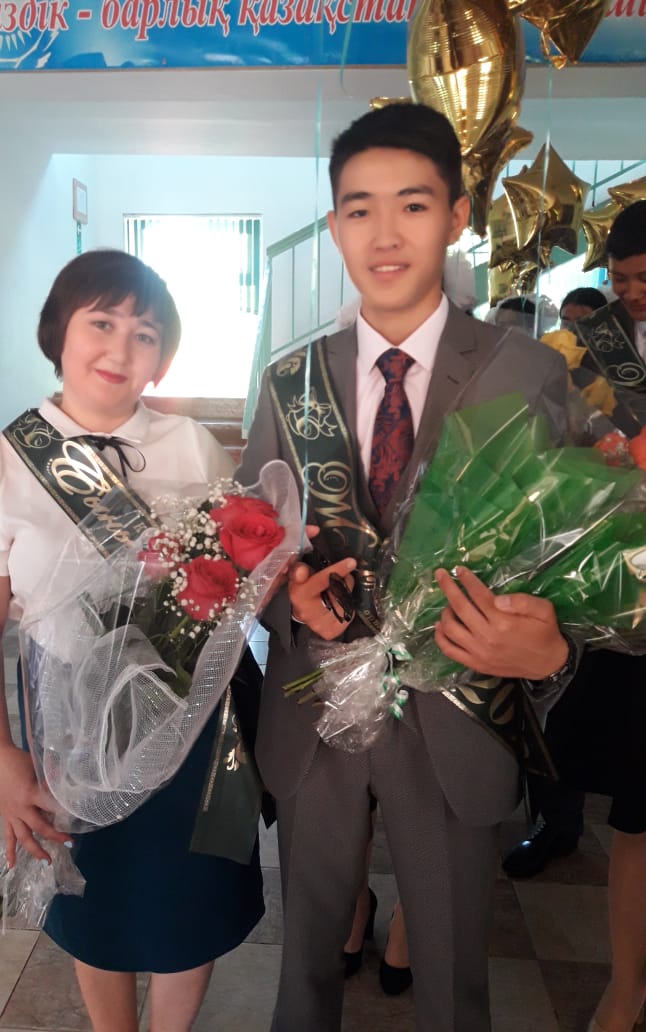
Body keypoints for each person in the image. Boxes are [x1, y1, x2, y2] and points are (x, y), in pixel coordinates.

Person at [237, 102, 576, 1032]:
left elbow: (567, 559)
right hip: (315, 710)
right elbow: (249, 546)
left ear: (457, 215)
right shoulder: (290, 382)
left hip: (458, 713)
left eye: (413, 205)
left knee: (456, 980)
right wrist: (288, 603)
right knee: (304, 969)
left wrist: (553, 653)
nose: (384, 235)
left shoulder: (527, 373)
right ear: (335, 223)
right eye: (359, 209)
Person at [0, 250, 265, 1032]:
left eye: (145, 333)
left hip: (187, 717)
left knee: (190, 900)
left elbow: (236, 587)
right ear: (59, 331)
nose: (121, 348)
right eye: (103, 322)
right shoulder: (7, 457)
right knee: (97, 902)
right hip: (72, 726)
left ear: (163, 356)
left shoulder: (191, 445)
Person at [533, 204, 646, 1032]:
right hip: (628, 603)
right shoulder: (592, 350)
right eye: (627, 278)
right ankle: (626, 985)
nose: (636, 292)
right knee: (637, 811)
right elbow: (562, 449)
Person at [502, 283, 609, 881]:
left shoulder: (612, 390)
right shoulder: (536, 378)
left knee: (568, 705)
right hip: (537, 548)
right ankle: (541, 812)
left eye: (585, 324)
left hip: (595, 559)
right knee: (535, 697)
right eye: (566, 321)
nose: (573, 333)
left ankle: (559, 821)